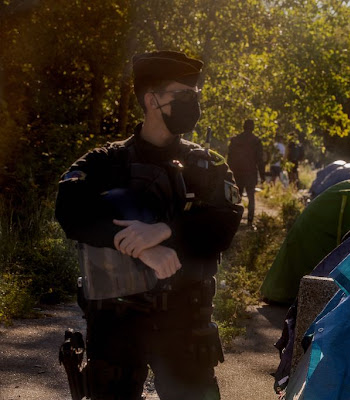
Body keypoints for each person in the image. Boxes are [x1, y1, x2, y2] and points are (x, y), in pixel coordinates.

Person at [55, 50, 243, 399]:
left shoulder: (207, 165)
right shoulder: (104, 162)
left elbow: (226, 220)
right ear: (151, 99)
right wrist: (142, 248)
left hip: (186, 319)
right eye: (182, 95)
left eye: (195, 95)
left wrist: (165, 230)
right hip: (115, 323)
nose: (193, 103)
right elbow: (70, 211)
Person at [227, 119, 266, 228]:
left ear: (243, 127)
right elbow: (260, 160)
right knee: (251, 197)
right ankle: (249, 221)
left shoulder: (235, 140)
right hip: (250, 173)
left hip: (236, 173)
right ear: (252, 128)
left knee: (234, 197)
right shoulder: (256, 141)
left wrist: (228, 173)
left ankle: (232, 219)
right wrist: (262, 176)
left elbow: (229, 158)